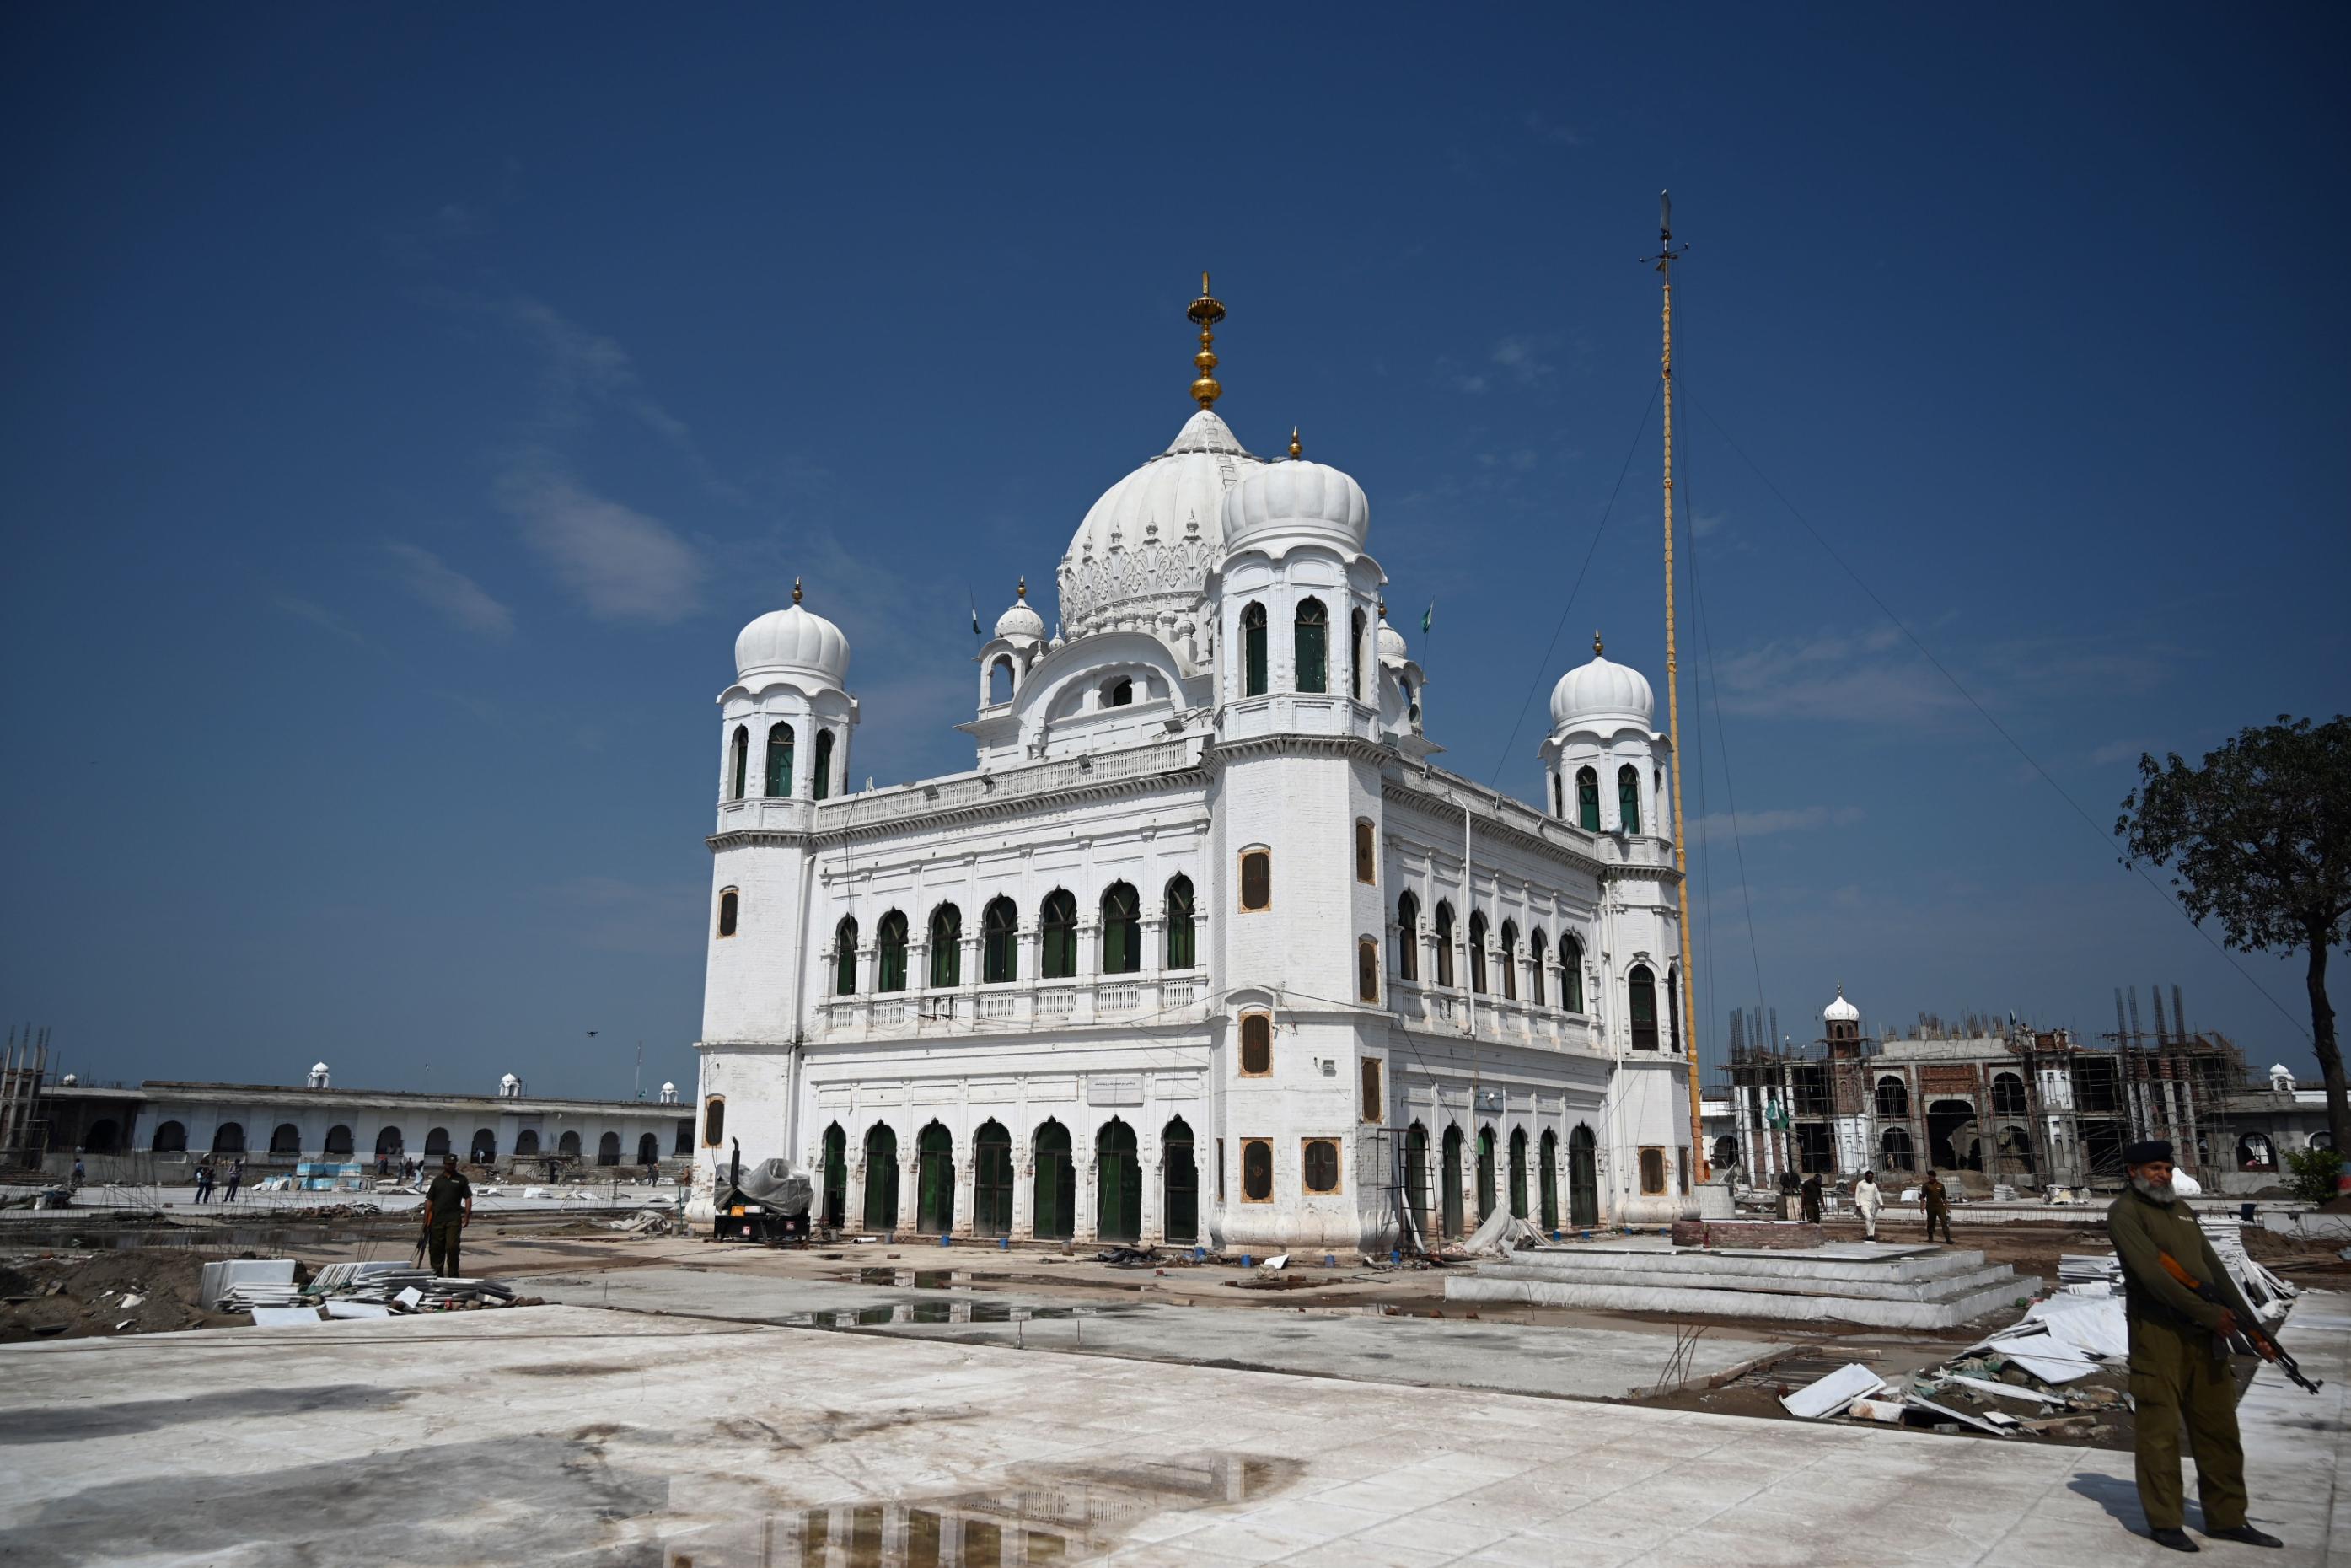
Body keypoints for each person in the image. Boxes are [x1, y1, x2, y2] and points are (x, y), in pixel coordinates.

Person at [2109, 1139, 2284, 1552]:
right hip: (2159, 1336)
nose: (2162, 1175)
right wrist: (2210, 1315)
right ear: (2132, 1172)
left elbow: (2217, 1273)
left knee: (2218, 1430)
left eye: (2166, 1168)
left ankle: (2227, 1517)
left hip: (2207, 1338)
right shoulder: (2125, 1213)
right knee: (2160, 1433)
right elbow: (2152, 1277)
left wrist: (2252, 1326)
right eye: (2154, 1168)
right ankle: (2165, 1522)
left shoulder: (2182, 1212)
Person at [422, 1153, 473, 1278]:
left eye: (453, 1164)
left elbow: (468, 1198)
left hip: (453, 1220)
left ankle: (453, 1274)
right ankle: (437, 1274)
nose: (451, 1166)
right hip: (437, 1220)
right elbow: (429, 1200)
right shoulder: (437, 1181)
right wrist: (425, 1220)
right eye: (449, 1164)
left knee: (452, 1247)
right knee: (436, 1248)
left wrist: (467, 1215)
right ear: (444, 1164)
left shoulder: (461, 1180)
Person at [1921, 1171, 1952, 1243]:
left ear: (1934, 1177)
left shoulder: (1941, 1186)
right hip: (1930, 1207)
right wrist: (1922, 1206)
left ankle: (1948, 1239)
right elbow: (1923, 1197)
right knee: (1931, 1222)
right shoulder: (1926, 1185)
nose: (1929, 1179)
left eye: (1931, 1177)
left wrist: (1947, 1208)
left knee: (1944, 1222)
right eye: (1929, 1177)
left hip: (1940, 1207)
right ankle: (1930, 1237)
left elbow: (1944, 1197)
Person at [1854, 1168, 1882, 1242]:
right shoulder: (1861, 1184)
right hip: (1863, 1204)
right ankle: (1870, 1235)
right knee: (1868, 1218)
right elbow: (1857, 1194)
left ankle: (1871, 1235)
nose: (1870, 1178)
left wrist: (1881, 1203)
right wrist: (1857, 1204)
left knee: (1872, 1220)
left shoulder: (1874, 1185)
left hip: (1872, 1205)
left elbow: (1877, 1194)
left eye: (1871, 1177)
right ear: (1866, 1176)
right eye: (1869, 1177)